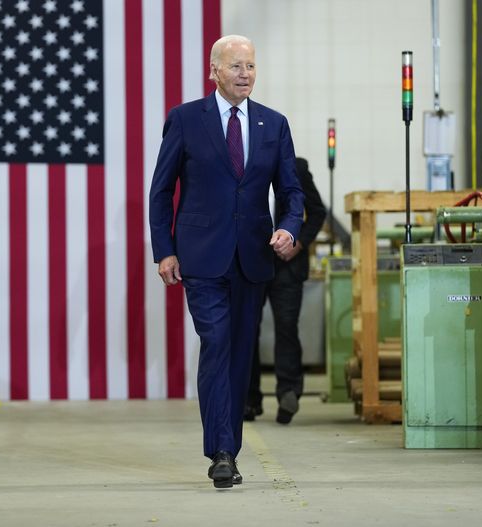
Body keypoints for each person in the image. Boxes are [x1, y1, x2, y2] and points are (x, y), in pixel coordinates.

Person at [148, 34, 305, 489]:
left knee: (239, 354)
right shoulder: (184, 120)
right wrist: (165, 249)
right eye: (236, 66)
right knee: (216, 343)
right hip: (201, 258)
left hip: (253, 258)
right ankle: (220, 451)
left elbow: (292, 192)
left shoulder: (273, 125)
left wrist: (289, 227)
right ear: (214, 70)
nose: (245, 74)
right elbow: (161, 191)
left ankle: (227, 449)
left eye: (251, 66)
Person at [245, 157, 327, 425]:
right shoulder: (243, 166)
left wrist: (299, 243)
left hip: (288, 265)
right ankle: (249, 399)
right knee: (246, 330)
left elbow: (317, 212)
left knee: (287, 327)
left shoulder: (297, 168)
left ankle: (289, 393)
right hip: (250, 262)